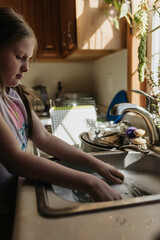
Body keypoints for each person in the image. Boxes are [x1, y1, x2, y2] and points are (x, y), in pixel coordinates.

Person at [0, 7, 124, 239]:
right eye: (19, 57)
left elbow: (44, 138)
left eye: (28, 59)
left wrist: (94, 163)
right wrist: (90, 183)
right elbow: (15, 160)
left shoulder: (15, 96)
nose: (26, 67)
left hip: (12, 201)